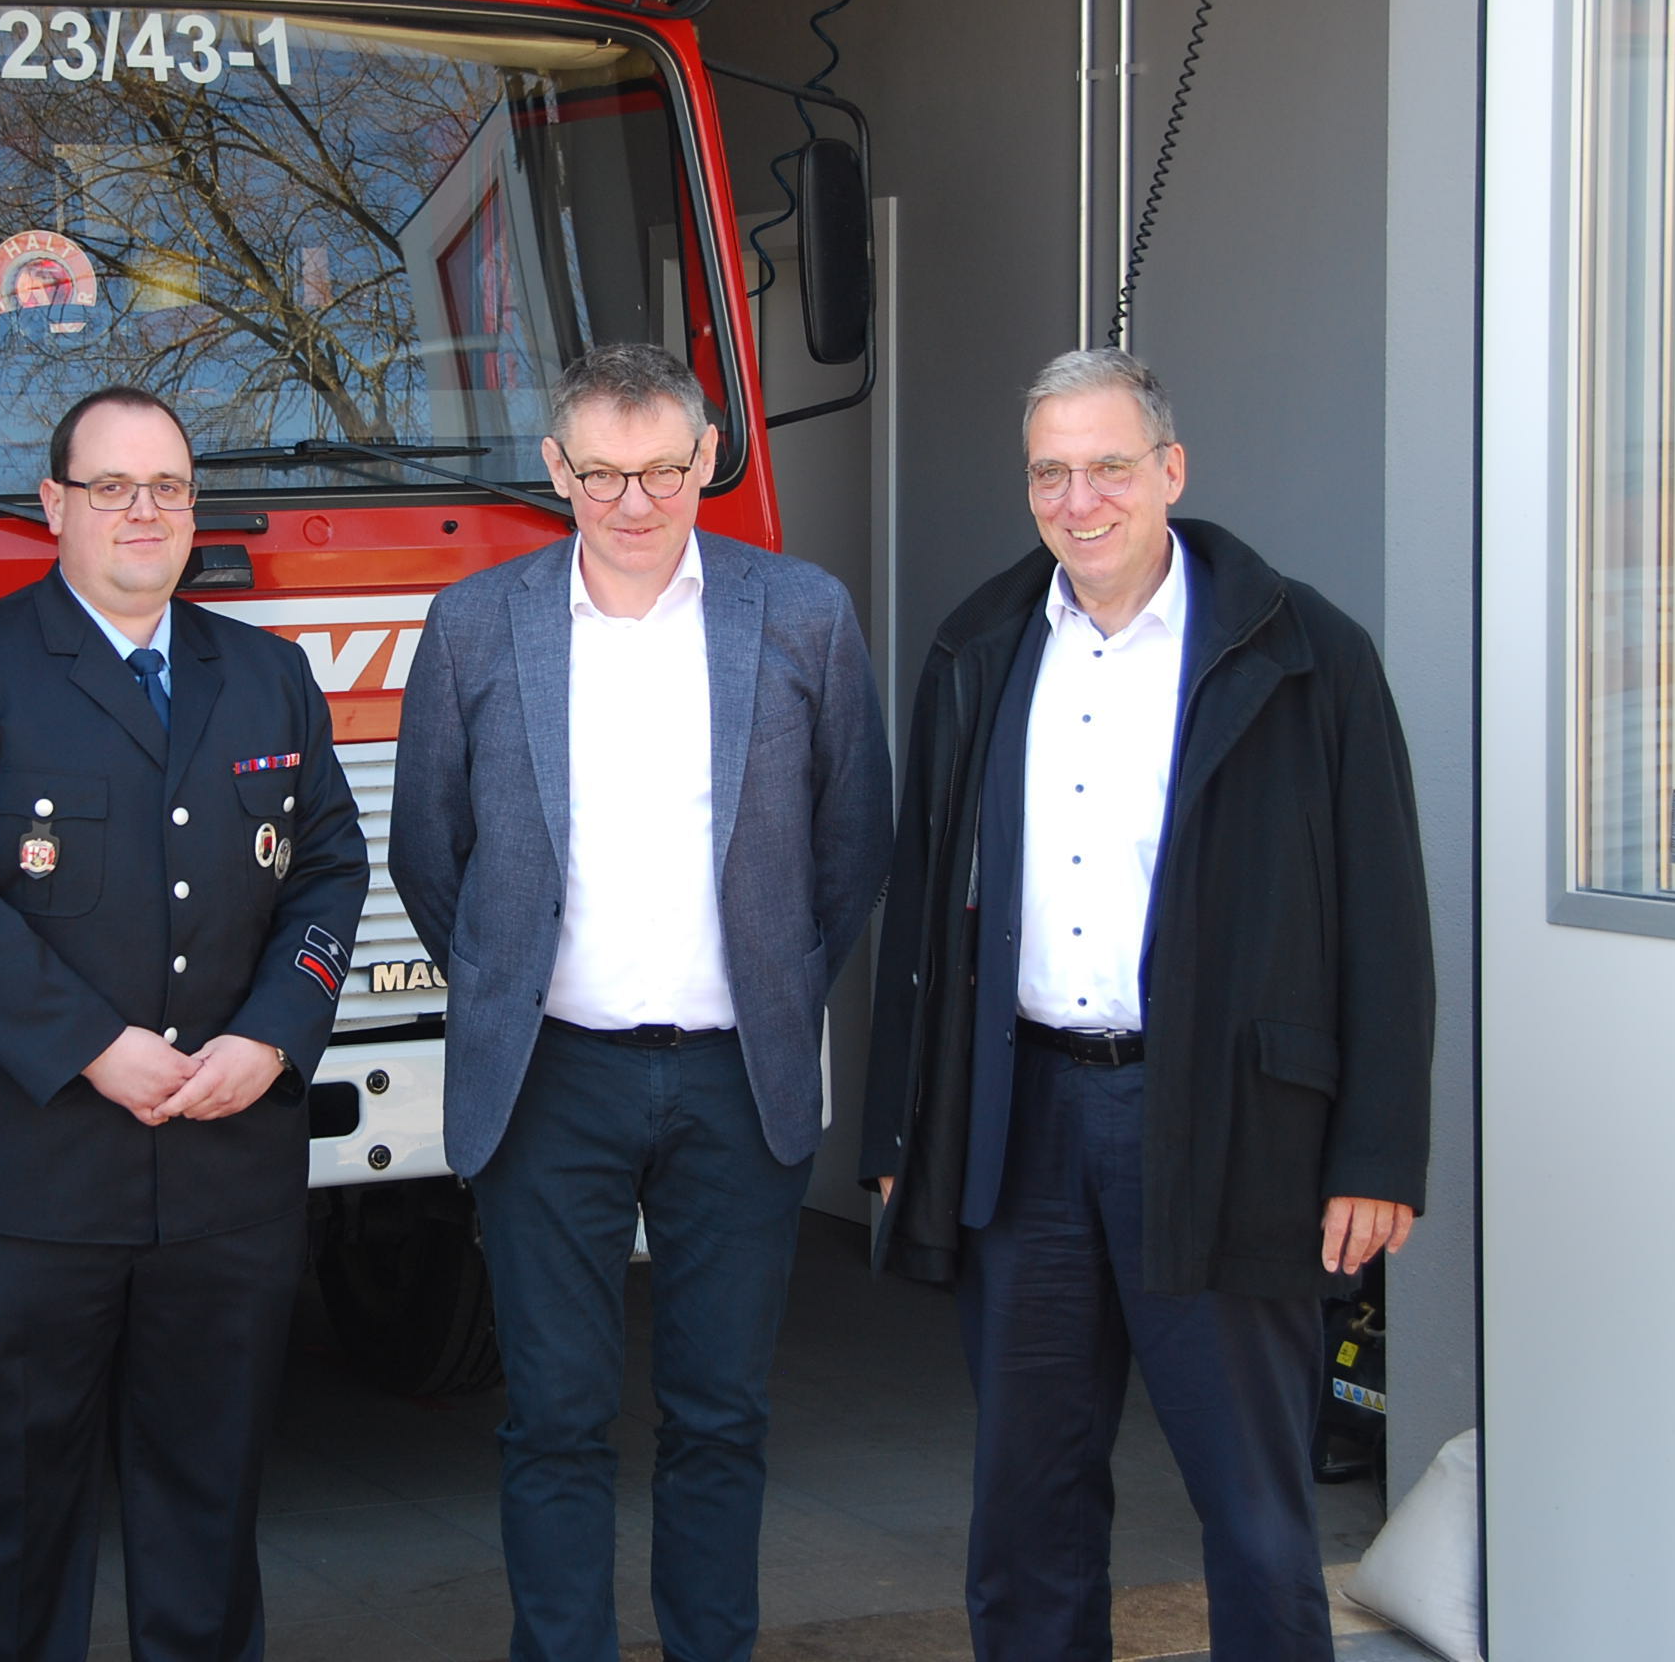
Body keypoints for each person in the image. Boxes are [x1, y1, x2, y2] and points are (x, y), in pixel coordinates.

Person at [860, 348, 1435, 1662]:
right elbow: (920, 903)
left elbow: (1385, 916)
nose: (1081, 498)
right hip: (1028, 1127)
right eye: (1051, 472)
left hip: (1226, 1126)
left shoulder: (1305, 655)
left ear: (1170, 471)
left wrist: (1378, 1149)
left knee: (1253, 1510)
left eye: (1110, 466)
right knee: (1028, 1512)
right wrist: (903, 1134)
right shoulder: (980, 647)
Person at [389, 342, 894, 1662]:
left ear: (707, 460)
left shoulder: (803, 616)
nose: (632, 500)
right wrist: (509, 987)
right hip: (551, 1078)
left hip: (740, 1080)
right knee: (552, 1417)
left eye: (663, 469)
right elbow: (427, 849)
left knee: (720, 1415)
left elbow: (853, 843)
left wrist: (775, 983)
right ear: (557, 469)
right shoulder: (476, 623)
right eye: (602, 472)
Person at [0, 387, 368, 1662]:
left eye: (169, 489)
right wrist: (91, 1042)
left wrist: (271, 1034)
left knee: (207, 1516)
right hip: (18, 1179)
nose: (145, 513)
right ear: (54, 505)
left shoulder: (266, 673)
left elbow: (326, 871)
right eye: (112, 488)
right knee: (13, 1521)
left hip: (223, 1175)